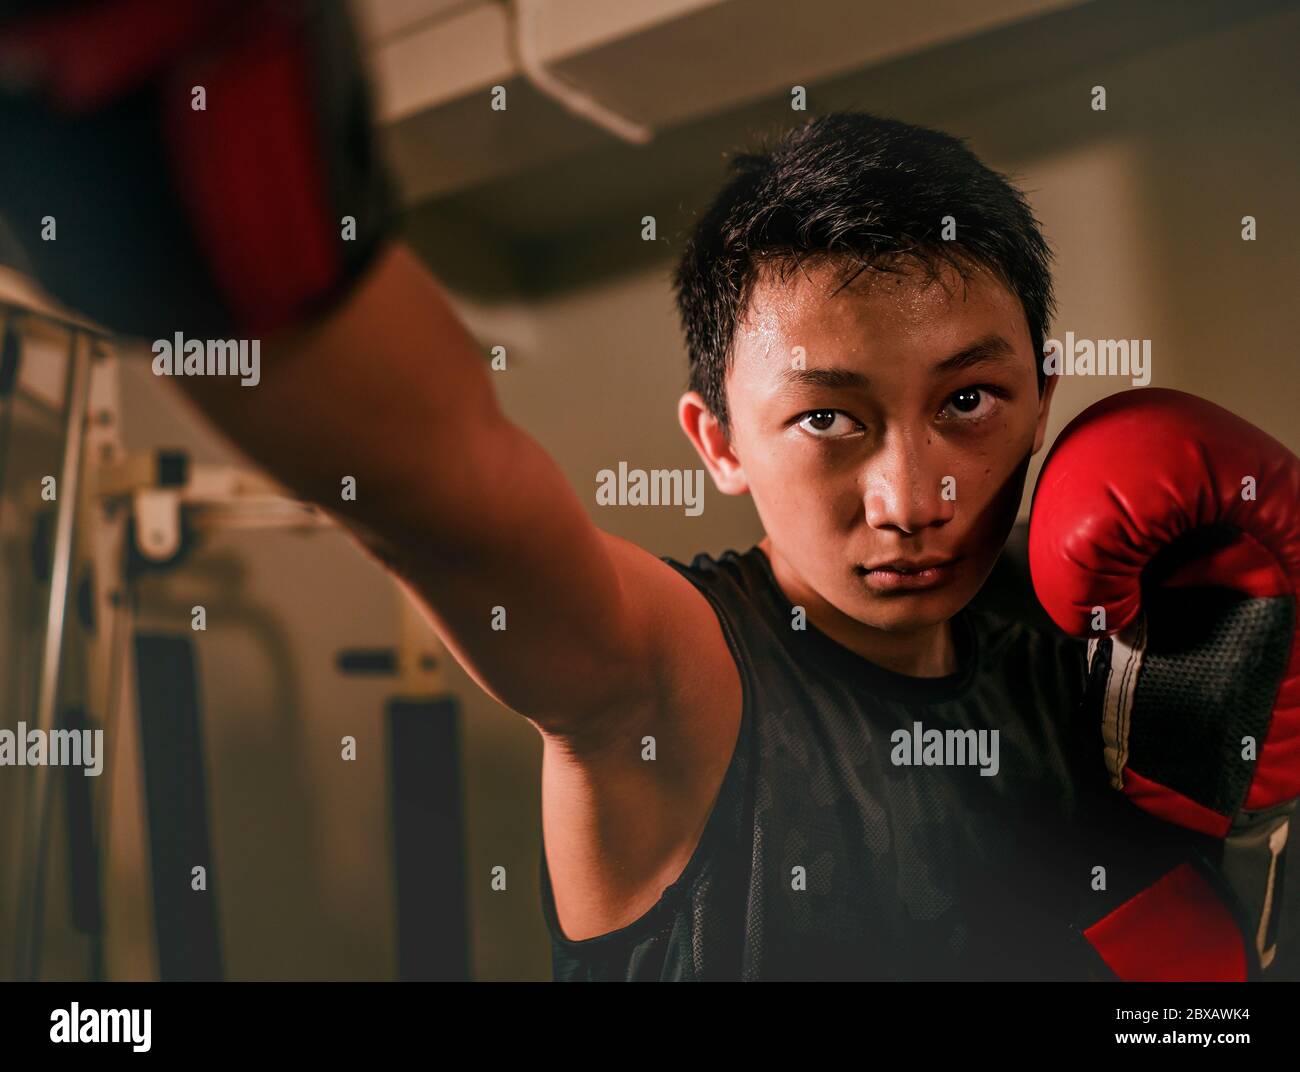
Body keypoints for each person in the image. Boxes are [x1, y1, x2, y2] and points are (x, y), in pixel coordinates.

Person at [0, 0, 1292, 981]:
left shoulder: (1107, 645)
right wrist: (218, 185)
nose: (911, 493)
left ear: (1045, 400)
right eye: (830, 419)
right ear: (718, 442)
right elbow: (440, 487)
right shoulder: (672, 682)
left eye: (968, 403)